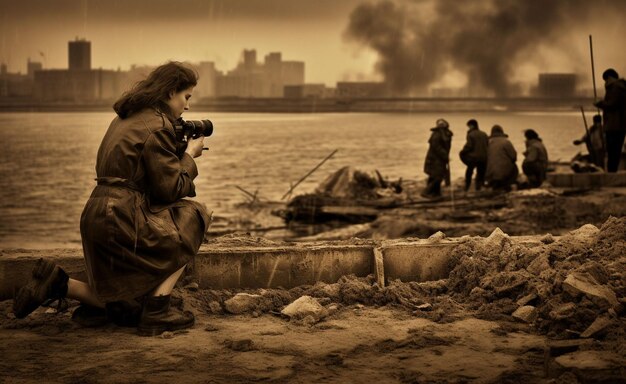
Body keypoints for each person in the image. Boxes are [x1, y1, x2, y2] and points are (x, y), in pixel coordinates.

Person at [13, 62, 211, 336]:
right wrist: (189, 156)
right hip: (122, 219)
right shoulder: (158, 127)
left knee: (126, 311)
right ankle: (158, 307)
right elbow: (171, 189)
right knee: (198, 215)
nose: (187, 107)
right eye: (186, 97)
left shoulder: (124, 118)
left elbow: (140, 178)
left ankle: (58, 283)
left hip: (96, 216)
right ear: (170, 93)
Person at [594, 68, 626, 172]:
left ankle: (611, 173)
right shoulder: (620, 87)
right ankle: (612, 172)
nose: (605, 83)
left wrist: (599, 103)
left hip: (613, 125)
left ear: (610, 77)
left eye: (606, 80)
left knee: (612, 151)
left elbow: (612, 104)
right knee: (615, 151)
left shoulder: (615, 87)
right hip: (619, 125)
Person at [421, 118, 453, 198]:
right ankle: (426, 192)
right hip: (434, 159)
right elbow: (436, 147)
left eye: (443, 124)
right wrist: (445, 155)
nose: (442, 125)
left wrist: (445, 156)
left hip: (439, 159)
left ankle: (436, 193)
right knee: (438, 176)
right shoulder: (437, 135)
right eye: (440, 124)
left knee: (435, 175)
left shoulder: (445, 134)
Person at [459, 119, 488, 192]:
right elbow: (488, 145)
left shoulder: (471, 134)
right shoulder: (484, 134)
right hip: (484, 157)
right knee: (481, 172)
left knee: (469, 171)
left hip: (474, 157)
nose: (468, 128)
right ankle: (479, 187)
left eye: (469, 126)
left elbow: (469, 146)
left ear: (472, 126)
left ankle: (467, 186)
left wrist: (462, 152)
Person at [485, 125, 518, 192]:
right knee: (514, 166)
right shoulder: (506, 142)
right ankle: (508, 183)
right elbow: (514, 157)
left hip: (489, 173)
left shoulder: (487, 142)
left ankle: (492, 182)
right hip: (504, 173)